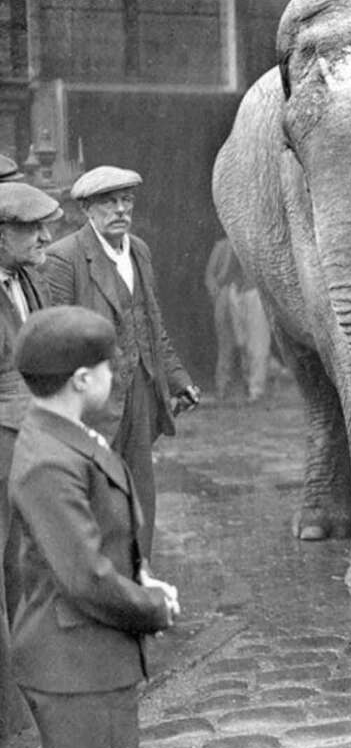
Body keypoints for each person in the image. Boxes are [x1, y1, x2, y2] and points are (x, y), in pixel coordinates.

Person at [8, 305, 179, 748]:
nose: (115, 373)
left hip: (89, 661)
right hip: (77, 669)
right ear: (81, 379)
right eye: (109, 365)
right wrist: (154, 608)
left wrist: (141, 575)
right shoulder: (50, 460)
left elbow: (99, 536)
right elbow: (85, 576)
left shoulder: (62, 436)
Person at [42, 165, 200, 564]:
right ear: (86, 210)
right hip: (94, 400)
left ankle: (136, 581)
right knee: (95, 491)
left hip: (141, 390)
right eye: (109, 202)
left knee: (140, 493)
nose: (120, 210)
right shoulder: (65, 258)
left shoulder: (140, 250)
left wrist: (178, 378)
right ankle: (96, 591)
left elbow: (152, 322)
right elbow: (59, 334)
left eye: (126, 200)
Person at [0, 182, 62, 741]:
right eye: (31, 228)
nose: (45, 236)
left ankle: (26, 686)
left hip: (28, 440)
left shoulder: (27, 279)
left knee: (23, 565)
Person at [205, 236, 272, 402]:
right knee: (240, 343)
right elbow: (211, 275)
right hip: (234, 293)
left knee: (258, 344)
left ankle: (256, 390)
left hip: (254, 292)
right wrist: (218, 294)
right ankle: (242, 387)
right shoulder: (222, 246)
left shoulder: (256, 241)